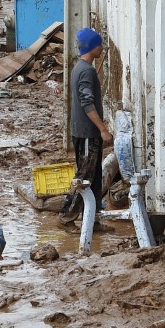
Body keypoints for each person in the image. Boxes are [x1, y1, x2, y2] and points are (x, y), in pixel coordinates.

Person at [61, 28, 111, 223]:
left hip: (84, 131)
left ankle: (92, 221)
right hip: (87, 133)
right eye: (99, 44)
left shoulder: (79, 68)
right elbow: (87, 103)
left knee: (94, 176)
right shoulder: (86, 71)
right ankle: (66, 217)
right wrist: (103, 129)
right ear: (92, 46)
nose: (102, 47)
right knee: (85, 178)